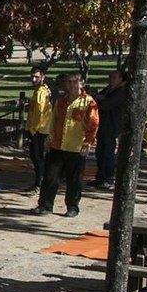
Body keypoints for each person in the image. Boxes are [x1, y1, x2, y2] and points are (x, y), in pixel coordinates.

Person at [35, 74, 99, 217]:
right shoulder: (61, 101)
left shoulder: (89, 102)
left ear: (81, 84)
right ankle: (45, 205)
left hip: (76, 147)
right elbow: (53, 120)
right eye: (69, 83)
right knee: (50, 177)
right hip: (57, 145)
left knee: (74, 179)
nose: (71, 86)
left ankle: (72, 207)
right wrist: (49, 137)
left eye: (75, 83)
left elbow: (93, 124)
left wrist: (88, 142)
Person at [93, 69, 129, 188]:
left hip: (112, 126)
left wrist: (100, 99)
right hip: (102, 125)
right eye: (110, 77)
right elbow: (95, 98)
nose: (111, 80)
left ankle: (108, 178)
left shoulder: (121, 92)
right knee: (100, 153)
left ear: (121, 79)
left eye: (114, 78)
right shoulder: (109, 89)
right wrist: (100, 98)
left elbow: (106, 105)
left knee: (108, 153)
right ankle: (100, 177)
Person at [23, 67, 52, 190]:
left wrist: (33, 130)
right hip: (40, 129)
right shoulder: (42, 90)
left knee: (38, 158)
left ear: (43, 77)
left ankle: (40, 184)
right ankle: (39, 183)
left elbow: (40, 112)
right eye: (32, 77)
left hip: (38, 130)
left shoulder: (41, 92)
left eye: (36, 77)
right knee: (37, 157)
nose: (33, 79)